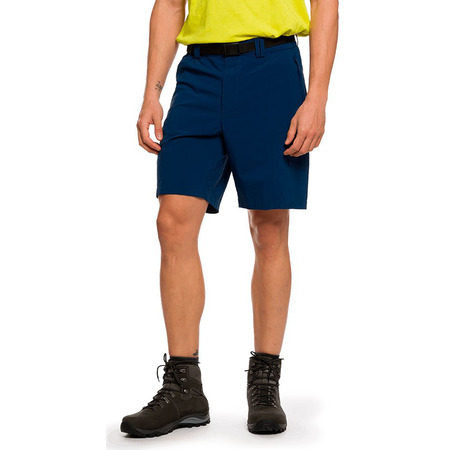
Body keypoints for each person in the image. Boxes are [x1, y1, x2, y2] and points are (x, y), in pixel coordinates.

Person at [121, 0, 338, 438]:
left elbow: (326, 5)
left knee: (269, 227)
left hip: (272, 68)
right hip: (198, 73)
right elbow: (169, 5)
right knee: (172, 220)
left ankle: (265, 381)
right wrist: (151, 93)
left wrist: (317, 96)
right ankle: (184, 387)